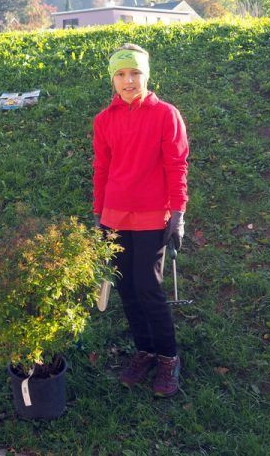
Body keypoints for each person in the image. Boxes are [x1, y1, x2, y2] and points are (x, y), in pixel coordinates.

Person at [92, 43, 189, 397]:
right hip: (115, 216)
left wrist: (177, 213)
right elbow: (101, 169)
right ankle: (144, 351)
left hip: (152, 217)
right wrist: (99, 215)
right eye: (121, 74)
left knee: (148, 287)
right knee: (127, 289)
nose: (128, 80)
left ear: (146, 75)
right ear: (113, 79)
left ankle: (168, 358)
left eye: (135, 73)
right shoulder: (104, 120)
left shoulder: (166, 115)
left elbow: (176, 166)